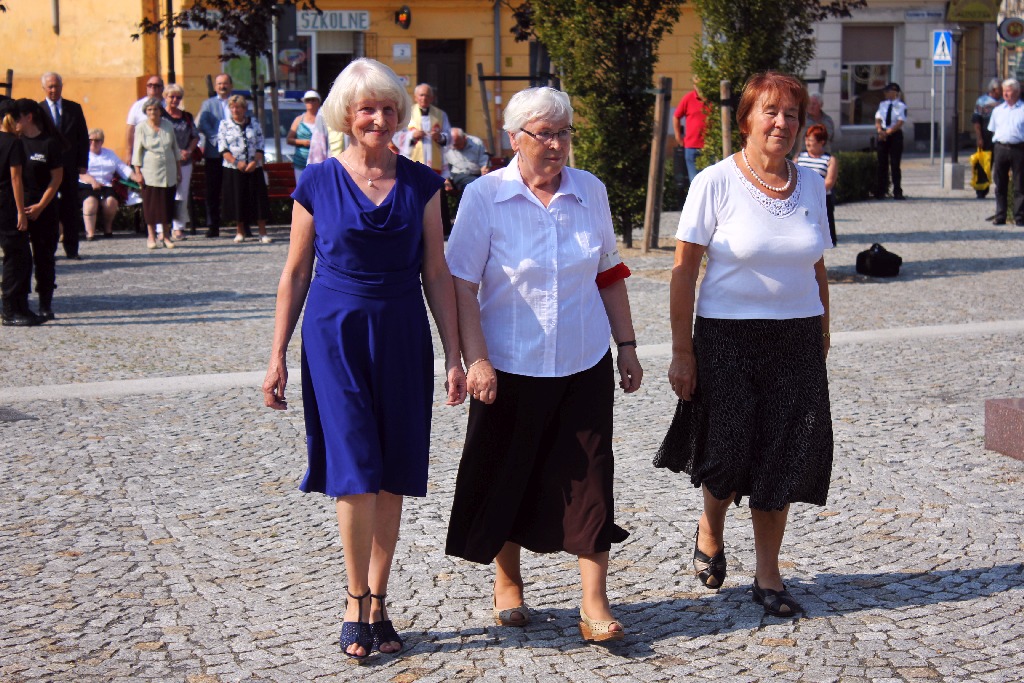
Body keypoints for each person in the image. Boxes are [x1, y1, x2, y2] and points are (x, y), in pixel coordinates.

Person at [261, 58, 466, 663]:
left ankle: (379, 597)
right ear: (346, 117)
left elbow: (437, 271)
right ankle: (354, 601)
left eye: (388, 108)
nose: (379, 118)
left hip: (402, 330)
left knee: (394, 468)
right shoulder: (317, 180)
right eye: (366, 109)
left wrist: (454, 353)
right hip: (335, 333)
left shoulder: (422, 182)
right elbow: (295, 272)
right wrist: (276, 356)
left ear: (401, 114)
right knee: (354, 465)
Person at [444, 86, 643, 643]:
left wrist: (626, 346)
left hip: (583, 363)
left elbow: (608, 271)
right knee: (509, 474)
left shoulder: (590, 191)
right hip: (508, 365)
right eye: (543, 134)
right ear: (514, 139)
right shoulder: (485, 196)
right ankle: (508, 585)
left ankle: (594, 601)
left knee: (591, 480)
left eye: (563, 133)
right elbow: (462, 282)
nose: (556, 145)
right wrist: (475, 358)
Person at [660, 71, 833, 619]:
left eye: (791, 115)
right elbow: (684, 271)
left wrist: (824, 326)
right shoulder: (714, 182)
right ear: (747, 119)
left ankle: (768, 573)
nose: (781, 123)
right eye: (770, 112)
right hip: (727, 336)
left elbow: (817, 262)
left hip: (797, 338)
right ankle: (711, 523)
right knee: (728, 448)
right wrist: (682, 350)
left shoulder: (808, 182)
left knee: (781, 454)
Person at [15, 99, 65, 322]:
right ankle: (22, 302)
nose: (13, 121)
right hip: (19, 209)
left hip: (44, 208)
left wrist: (40, 206)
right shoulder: (15, 142)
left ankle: (45, 302)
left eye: (17, 116)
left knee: (44, 257)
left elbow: (57, 177)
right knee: (20, 258)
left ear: (29, 117)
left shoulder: (48, 143)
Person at [0, 99, 44, 326]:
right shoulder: (12, 143)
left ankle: (20, 307)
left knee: (20, 257)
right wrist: (20, 211)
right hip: (8, 205)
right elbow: (16, 179)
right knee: (16, 258)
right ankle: (9, 309)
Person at [39, 72, 89, 259]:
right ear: (44, 88)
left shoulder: (73, 108)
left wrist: (83, 163)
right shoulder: (38, 110)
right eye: (50, 86)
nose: (54, 90)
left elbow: (82, 137)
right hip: (46, 169)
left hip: (69, 167)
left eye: (56, 86)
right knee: (48, 208)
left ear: (62, 86)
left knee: (69, 208)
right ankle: (48, 249)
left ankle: (72, 249)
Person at [217, 95, 272, 244]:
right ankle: (240, 231)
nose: (235, 110)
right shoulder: (224, 125)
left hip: (254, 166)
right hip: (234, 168)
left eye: (238, 107)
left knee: (259, 199)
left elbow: (260, 143)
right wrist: (236, 162)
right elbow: (222, 147)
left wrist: (255, 161)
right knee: (238, 199)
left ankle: (262, 232)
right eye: (232, 107)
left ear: (244, 109)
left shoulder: (254, 123)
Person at [132, 97, 180, 250]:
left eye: (156, 109)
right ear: (146, 112)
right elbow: (137, 152)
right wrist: (137, 172)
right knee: (151, 206)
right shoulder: (141, 127)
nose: (153, 112)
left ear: (161, 111)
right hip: (150, 172)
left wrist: (179, 170)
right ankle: (151, 236)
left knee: (167, 205)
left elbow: (175, 148)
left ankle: (166, 236)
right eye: (149, 110)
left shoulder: (168, 125)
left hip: (169, 171)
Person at [79, 128, 142, 239]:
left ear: (102, 141)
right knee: (90, 202)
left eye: (97, 140)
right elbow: (80, 173)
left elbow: (122, 167)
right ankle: (90, 233)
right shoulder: (82, 153)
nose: (93, 142)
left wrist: (134, 177)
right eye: (91, 140)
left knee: (111, 202)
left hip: (106, 184)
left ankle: (108, 229)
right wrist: (93, 181)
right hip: (87, 184)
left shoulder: (109, 153)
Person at [197, 73, 233, 237]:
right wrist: (219, 142)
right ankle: (213, 225)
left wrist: (231, 144)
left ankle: (241, 224)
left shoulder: (237, 101)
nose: (222, 86)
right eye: (219, 84)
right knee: (213, 191)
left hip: (234, 154)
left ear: (230, 85)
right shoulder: (208, 104)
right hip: (214, 153)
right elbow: (203, 124)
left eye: (225, 83)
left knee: (235, 189)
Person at [163, 83, 200, 240]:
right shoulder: (161, 116)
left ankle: (178, 228)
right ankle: (162, 228)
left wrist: (189, 151)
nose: (175, 100)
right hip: (166, 161)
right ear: (165, 97)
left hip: (184, 161)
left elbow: (195, 136)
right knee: (163, 195)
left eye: (178, 97)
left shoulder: (187, 117)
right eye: (172, 96)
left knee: (181, 195)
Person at [988, 78, 1024, 226]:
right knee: (1000, 184)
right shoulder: (997, 111)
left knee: (1020, 184)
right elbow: (993, 129)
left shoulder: (1022, 109)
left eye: (1008, 91)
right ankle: (1000, 215)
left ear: (1016, 92)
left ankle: (1020, 217)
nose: (1005, 94)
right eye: (1004, 92)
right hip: (1001, 148)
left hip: (1018, 149)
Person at [796, 124, 838, 245]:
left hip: (821, 199)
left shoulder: (829, 159)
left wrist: (811, 191)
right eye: (806, 139)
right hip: (801, 198)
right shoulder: (799, 157)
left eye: (811, 140)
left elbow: (829, 181)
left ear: (821, 142)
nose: (807, 143)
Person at [396, 83, 451, 175]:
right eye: (421, 95)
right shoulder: (407, 113)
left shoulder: (440, 115)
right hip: (412, 158)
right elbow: (397, 135)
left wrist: (440, 137)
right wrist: (412, 135)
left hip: (434, 160)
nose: (424, 98)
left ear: (432, 98)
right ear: (415, 97)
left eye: (427, 95)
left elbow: (449, 135)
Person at [673, 76, 709, 188]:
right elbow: (676, 116)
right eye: (696, 85)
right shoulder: (688, 98)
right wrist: (678, 136)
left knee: (710, 182)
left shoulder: (711, 98)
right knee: (695, 183)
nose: (699, 88)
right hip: (691, 146)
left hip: (709, 147)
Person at [874, 82, 906, 200]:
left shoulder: (901, 106)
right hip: (882, 134)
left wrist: (887, 132)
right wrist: (879, 130)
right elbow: (878, 118)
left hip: (894, 135)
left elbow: (900, 122)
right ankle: (881, 190)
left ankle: (897, 191)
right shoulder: (882, 104)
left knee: (895, 164)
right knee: (882, 163)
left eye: (888, 91)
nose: (885, 93)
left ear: (894, 93)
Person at [972, 79, 1001, 200]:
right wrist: (979, 137)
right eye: (1000, 89)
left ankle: (1001, 189)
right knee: (983, 164)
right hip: (986, 135)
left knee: (1000, 164)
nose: (1002, 91)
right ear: (994, 90)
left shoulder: (1005, 101)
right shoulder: (982, 101)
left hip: (1000, 136)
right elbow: (977, 121)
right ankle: (981, 190)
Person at [443, 127, 490, 203]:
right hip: (458, 174)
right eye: (453, 145)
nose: (455, 147)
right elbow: (443, 166)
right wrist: (446, 180)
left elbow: (484, 160)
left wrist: (484, 168)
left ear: (465, 138)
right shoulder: (445, 145)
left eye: (457, 144)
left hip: (477, 175)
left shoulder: (476, 143)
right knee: (472, 185)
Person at [126, 75, 164, 163]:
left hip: (163, 153)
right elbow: (130, 130)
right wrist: (129, 153)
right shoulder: (137, 105)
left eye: (156, 85)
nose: (153, 87)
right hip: (142, 152)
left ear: (162, 88)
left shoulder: (167, 105)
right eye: (150, 85)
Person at [287, 90, 320, 184]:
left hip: (319, 161)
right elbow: (289, 139)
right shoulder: (298, 120)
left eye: (313, 100)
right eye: (308, 100)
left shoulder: (323, 120)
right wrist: (302, 142)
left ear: (318, 102)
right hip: (301, 162)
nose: (311, 103)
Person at [793, 92, 836, 157]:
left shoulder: (828, 120)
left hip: (824, 156)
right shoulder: (801, 119)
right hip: (804, 155)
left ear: (820, 105)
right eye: (809, 104)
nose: (811, 106)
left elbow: (831, 138)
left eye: (814, 104)